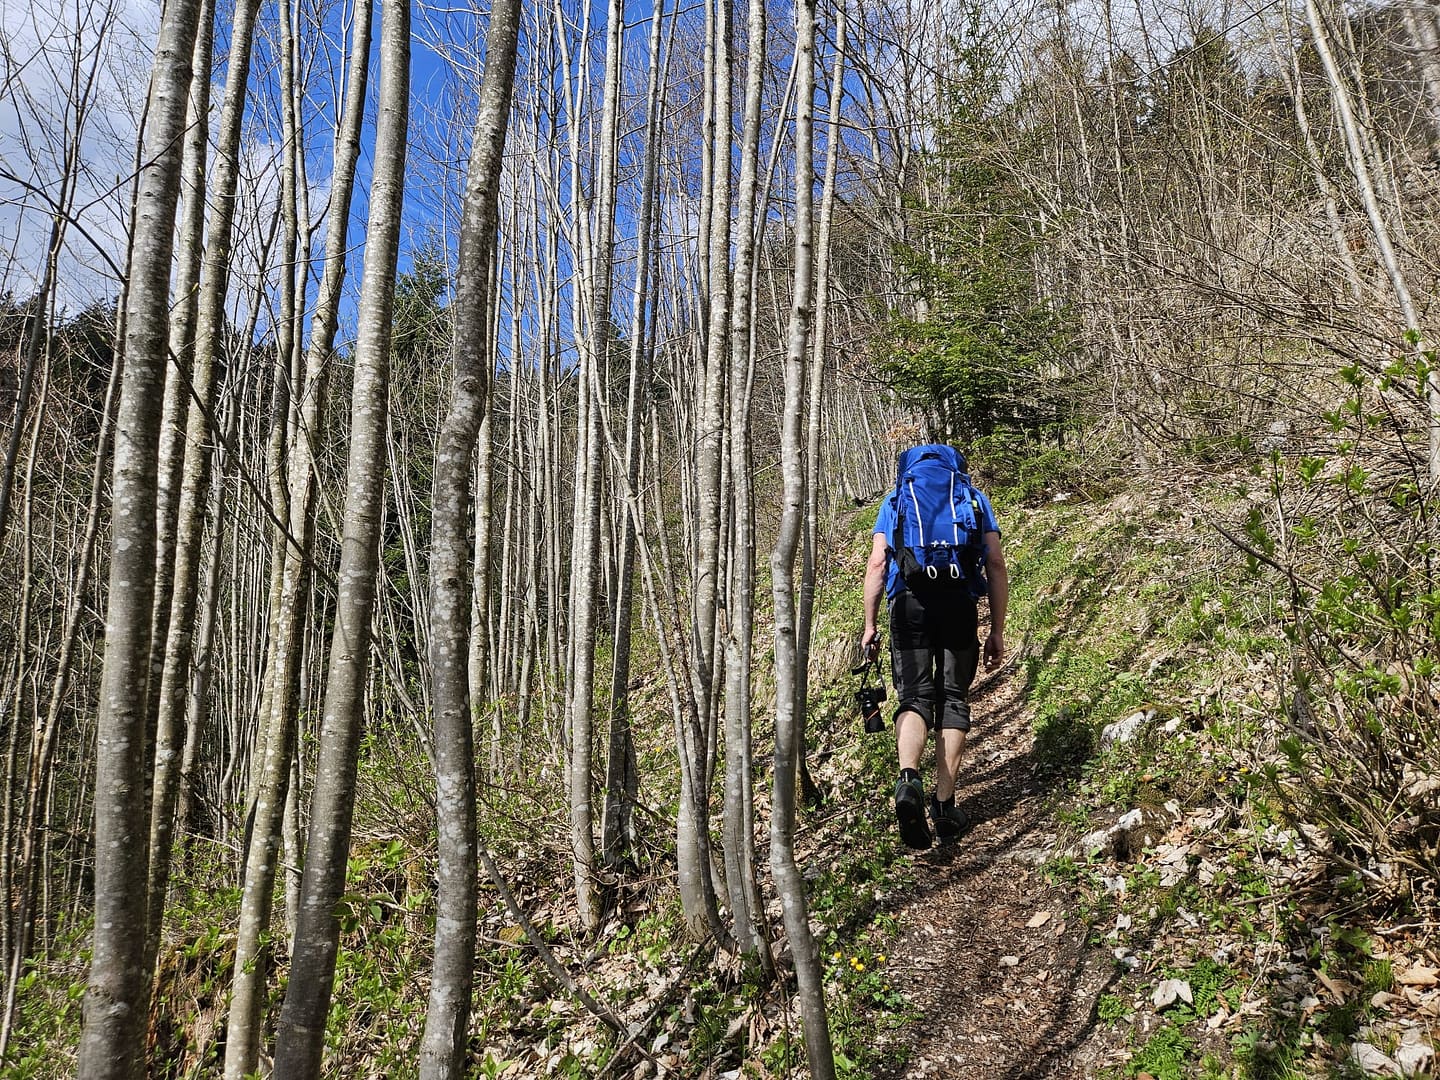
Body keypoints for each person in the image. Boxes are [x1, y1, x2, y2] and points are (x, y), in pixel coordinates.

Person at [860, 447, 1008, 850]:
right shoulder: (974, 499)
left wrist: (870, 625)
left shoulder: (895, 501)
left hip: (908, 603)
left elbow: (877, 564)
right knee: (954, 699)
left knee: (915, 697)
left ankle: (908, 780)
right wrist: (996, 628)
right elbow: (994, 563)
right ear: (957, 469)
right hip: (959, 603)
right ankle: (944, 807)